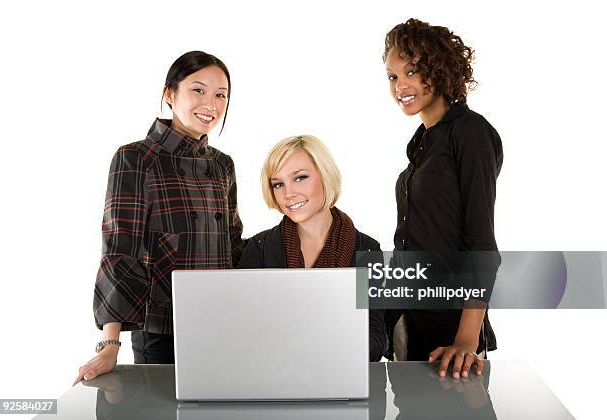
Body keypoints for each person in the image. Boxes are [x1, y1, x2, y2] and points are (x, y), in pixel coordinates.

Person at [75, 51, 244, 384]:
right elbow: (121, 250)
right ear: (170, 93)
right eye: (198, 90)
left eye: (220, 94)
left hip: (221, 326)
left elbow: (233, 245)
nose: (211, 103)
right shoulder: (136, 158)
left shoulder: (223, 165)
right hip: (162, 333)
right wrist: (111, 344)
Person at [383, 19, 503, 378]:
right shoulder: (421, 141)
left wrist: (466, 339)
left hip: (451, 329)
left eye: (412, 71)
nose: (400, 85)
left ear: (439, 67)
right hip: (407, 318)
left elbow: (481, 242)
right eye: (392, 76)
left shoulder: (470, 133)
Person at [237, 135, 388, 362]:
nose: (288, 194)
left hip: (340, 379)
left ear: (324, 176)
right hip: (273, 378)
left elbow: (376, 341)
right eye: (278, 184)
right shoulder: (259, 248)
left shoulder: (366, 250)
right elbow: (241, 334)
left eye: (300, 178)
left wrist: (309, 338)